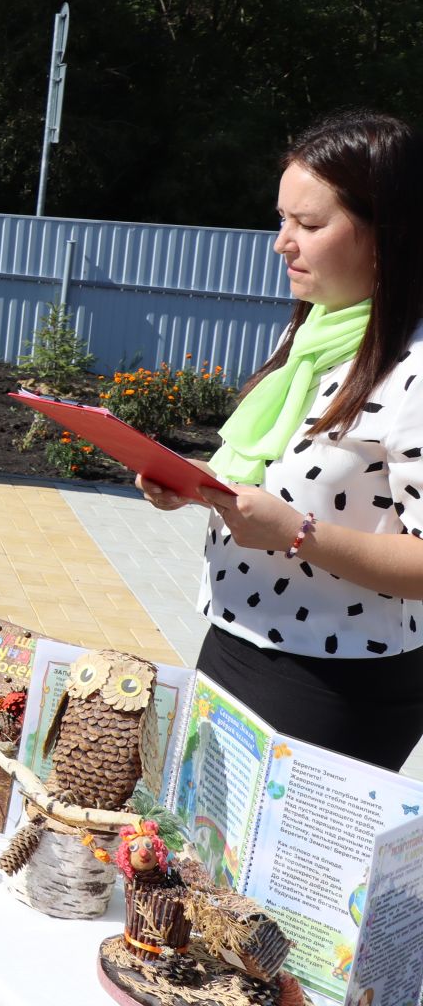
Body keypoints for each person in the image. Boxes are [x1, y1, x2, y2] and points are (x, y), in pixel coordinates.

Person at [138, 111, 423, 770]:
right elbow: (276, 470)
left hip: (338, 677)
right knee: (193, 856)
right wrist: (193, 483)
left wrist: (299, 534)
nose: (282, 243)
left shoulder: (413, 367)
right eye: (282, 219)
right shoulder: (312, 336)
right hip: (238, 637)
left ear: (390, 234)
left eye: (310, 225)